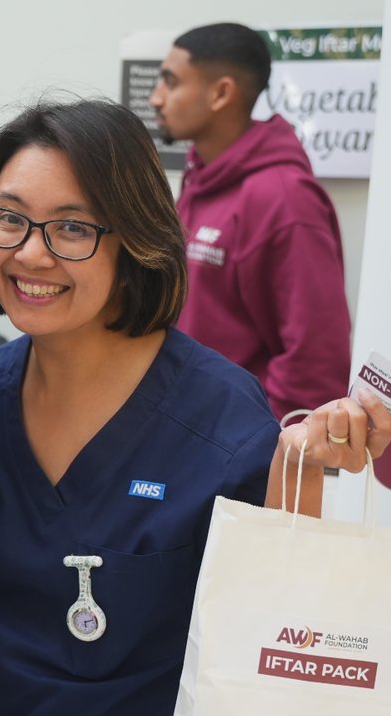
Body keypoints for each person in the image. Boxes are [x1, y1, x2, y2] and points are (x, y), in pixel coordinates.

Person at [0, 99, 391, 716]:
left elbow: (279, 628)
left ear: (135, 241)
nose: (30, 253)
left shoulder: (219, 417)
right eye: (9, 218)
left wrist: (303, 474)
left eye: (72, 227)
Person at [149, 22, 352, 423]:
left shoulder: (285, 199)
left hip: (235, 444)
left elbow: (315, 360)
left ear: (221, 93)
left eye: (171, 82)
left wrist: (261, 446)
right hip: (183, 429)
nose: (156, 98)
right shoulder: (200, 179)